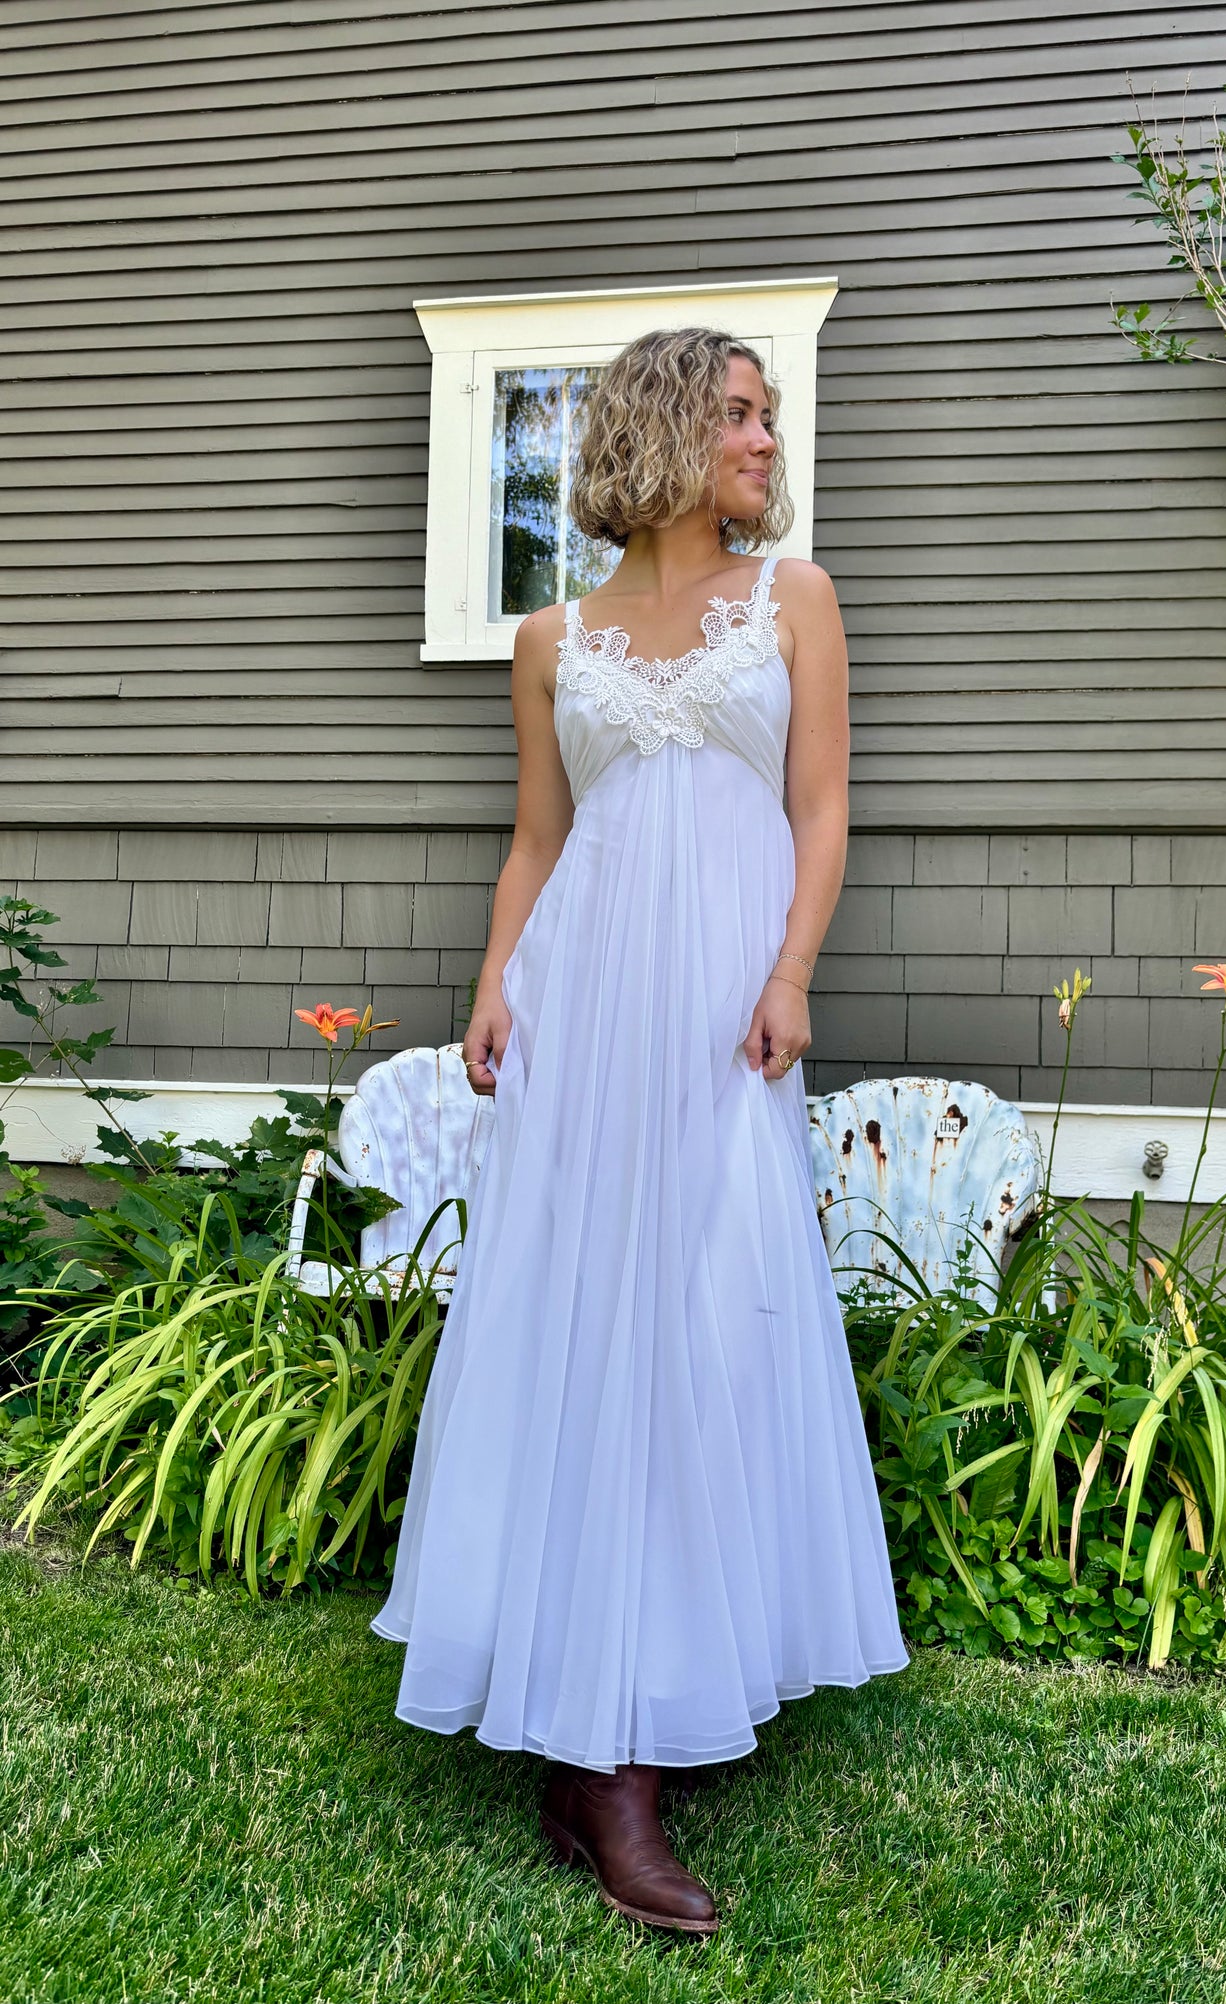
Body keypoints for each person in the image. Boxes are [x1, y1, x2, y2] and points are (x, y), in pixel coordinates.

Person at [372, 326, 910, 1937]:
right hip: (580, 1008)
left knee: (707, 1321)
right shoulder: (552, 637)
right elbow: (538, 839)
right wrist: (492, 984)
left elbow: (820, 806)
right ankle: (599, 1762)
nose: (764, 436)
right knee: (578, 1321)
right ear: (666, 428)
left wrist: (790, 972)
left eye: (766, 413)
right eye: (738, 412)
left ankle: (643, 1709)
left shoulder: (793, 599)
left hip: (721, 1011)